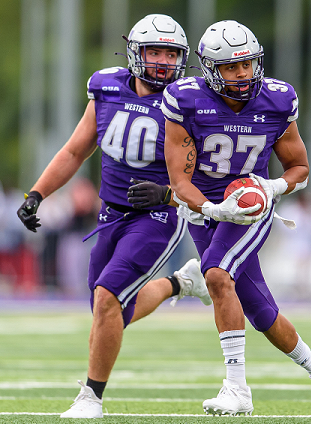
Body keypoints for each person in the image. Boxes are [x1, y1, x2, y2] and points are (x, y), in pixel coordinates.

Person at [129, 20, 311, 422]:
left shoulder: (277, 100)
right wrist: (211, 210)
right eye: (231, 67)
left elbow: (300, 168)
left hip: (250, 205)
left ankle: (237, 389)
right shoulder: (185, 100)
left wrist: (271, 188)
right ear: (210, 69)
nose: (242, 73)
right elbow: (179, 181)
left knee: (215, 273)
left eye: (247, 64)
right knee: (261, 312)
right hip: (202, 206)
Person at [16, 14, 212, 419]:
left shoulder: (189, 102)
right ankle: (179, 284)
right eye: (154, 52)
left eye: (170, 53)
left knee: (107, 298)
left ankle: (91, 398)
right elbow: (74, 151)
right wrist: (37, 193)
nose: (161, 61)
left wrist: (167, 193)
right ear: (135, 54)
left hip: (159, 216)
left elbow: (208, 176)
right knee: (109, 310)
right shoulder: (107, 87)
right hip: (110, 214)